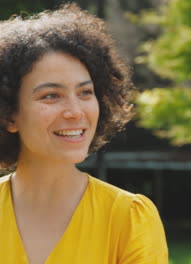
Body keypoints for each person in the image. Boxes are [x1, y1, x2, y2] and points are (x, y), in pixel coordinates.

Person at [0, 3, 168, 264]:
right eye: (51, 95)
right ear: (9, 115)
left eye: (85, 93)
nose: (75, 111)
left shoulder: (127, 218)